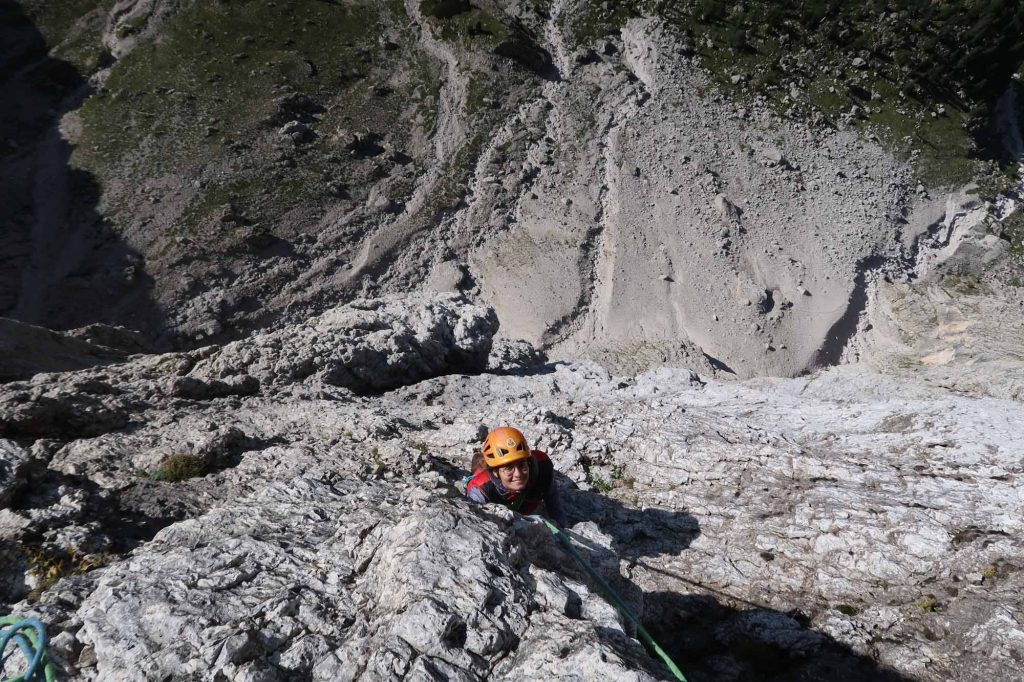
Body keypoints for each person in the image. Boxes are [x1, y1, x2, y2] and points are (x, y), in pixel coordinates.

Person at [465, 426, 567, 527]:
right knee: (479, 466)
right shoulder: (480, 490)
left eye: (522, 465)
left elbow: (553, 499)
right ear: (495, 472)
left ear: (528, 463)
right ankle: (478, 458)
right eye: (508, 468)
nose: (518, 474)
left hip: (523, 505)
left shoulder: (542, 467)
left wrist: (562, 528)